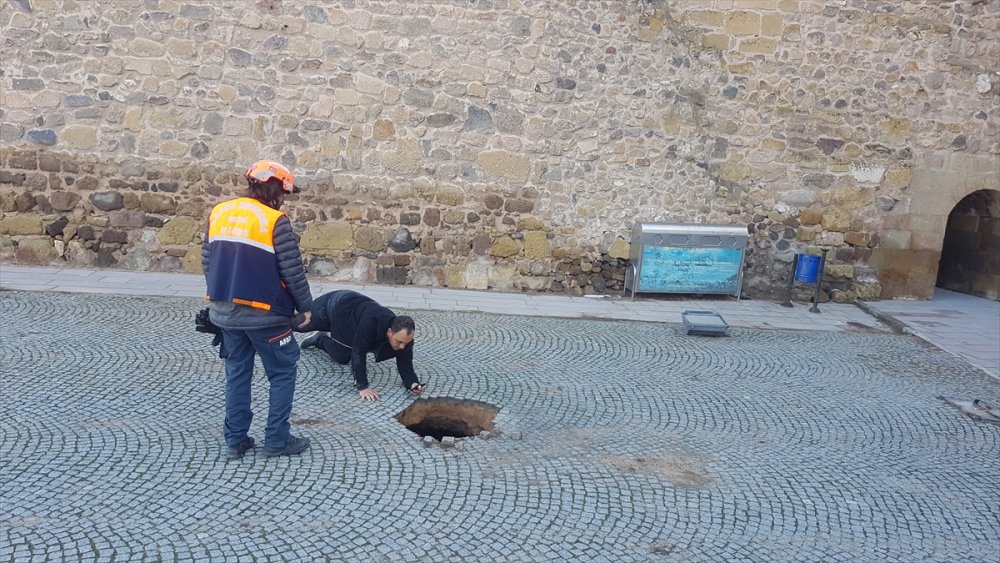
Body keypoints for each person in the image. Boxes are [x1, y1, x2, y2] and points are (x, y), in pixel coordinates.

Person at [202, 160, 314, 460]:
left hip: (226, 313)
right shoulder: (274, 221)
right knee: (282, 373)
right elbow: (292, 272)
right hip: (267, 316)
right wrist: (306, 307)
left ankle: (235, 440)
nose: (284, 200)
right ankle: (277, 440)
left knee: (237, 374)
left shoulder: (219, 213)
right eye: (285, 194)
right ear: (276, 189)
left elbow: (207, 262)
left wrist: (220, 301)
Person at [297, 290, 425, 402]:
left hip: (355, 314)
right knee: (297, 325)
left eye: (406, 343)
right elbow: (359, 351)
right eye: (399, 341)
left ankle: (321, 339)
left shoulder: (405, 338)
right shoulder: (371, 322)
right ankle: (320, 338)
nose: (402, 346)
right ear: (389, 331)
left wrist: (412, 384)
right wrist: (362, 387)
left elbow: (405, 364)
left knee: (342, 358)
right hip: (338, 305)